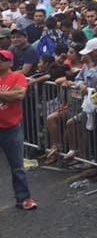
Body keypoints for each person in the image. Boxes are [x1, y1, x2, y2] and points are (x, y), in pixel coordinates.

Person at [0, 48, 36, 210]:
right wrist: (8, 94)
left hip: (11, 128)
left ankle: (24, 198)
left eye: (2, 59)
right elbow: (13, 95)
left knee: (17, 166)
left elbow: (19, 96)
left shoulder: (17, 76)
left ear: (11, 62)